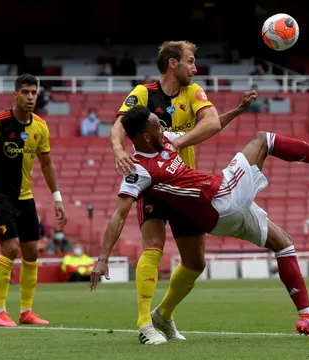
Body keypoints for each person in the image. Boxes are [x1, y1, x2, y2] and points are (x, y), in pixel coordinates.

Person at [91, 106, 309, 344]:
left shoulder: (165, 141)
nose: (161, 127)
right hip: (221, 196)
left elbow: (208, 128)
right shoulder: (139, 169)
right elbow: (119, 214)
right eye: (156, 125)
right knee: (264, 139)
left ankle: (308, 315)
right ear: (144, 135)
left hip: (220, 217)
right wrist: (103, 259)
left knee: (284, 243)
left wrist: (237, 110)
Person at [109, 40, 265, 343]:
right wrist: (118, 150)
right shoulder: (142, 94)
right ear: (172, 64)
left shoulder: (193, 93)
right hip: (152, 183)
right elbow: (119, 124)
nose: (195, 68)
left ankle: (163, 315)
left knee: (195, 263)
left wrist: (234, 112)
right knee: (152, 247)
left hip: (184, 185)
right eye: (191, 62)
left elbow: (210, 123)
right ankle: (144, 324)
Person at [0, 74, 69, 327]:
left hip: (25, 196)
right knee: (10, 249)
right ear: (16, 94)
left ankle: (26, 312)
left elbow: (46, 163)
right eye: (26, 92)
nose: (31, 97)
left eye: (34, 92)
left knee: (32, 251)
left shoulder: (40, 127)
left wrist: (57, 198)